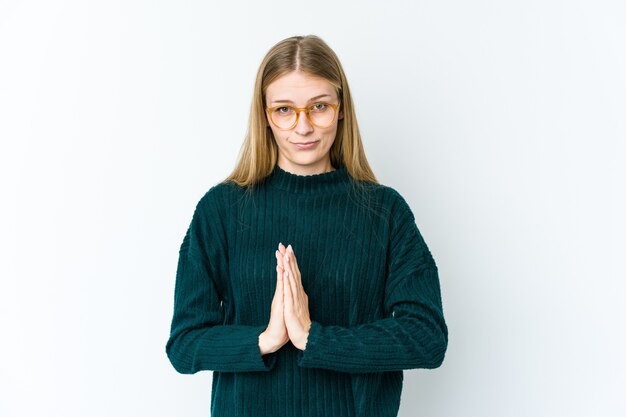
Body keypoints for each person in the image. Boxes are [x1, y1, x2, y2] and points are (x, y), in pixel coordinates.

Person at [165, 34, 448, 417]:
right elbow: (184, 344)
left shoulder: (385, 212)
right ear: (265, 115)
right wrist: (266, 339)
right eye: (284, 110)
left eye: (319, 107)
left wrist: (315, 338)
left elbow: (427, 337)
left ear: (341, 108)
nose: (303, 127)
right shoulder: (221, 210)